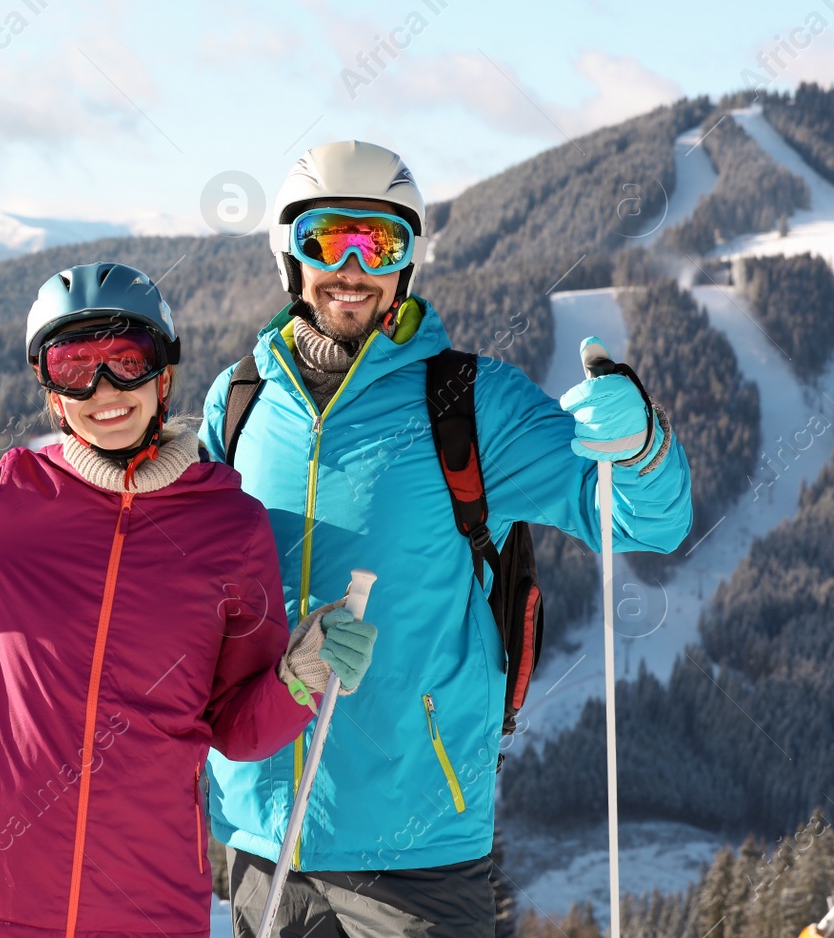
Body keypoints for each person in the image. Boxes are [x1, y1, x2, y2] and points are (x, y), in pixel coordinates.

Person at [0, 262, 379, 938]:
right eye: (75, 366)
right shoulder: (6, 501)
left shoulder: (228, 526)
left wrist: (301, 674)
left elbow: (240, 729)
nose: (105, 389)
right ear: (50, 389)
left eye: (127, 359)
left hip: (146, 909)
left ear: (164, 373)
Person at [200, 141, 694, 938]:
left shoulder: (468, 402)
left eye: (381, 243)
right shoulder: (240, 405)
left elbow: (648, 518)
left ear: (409, 261)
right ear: (288, 254)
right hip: (261, 836)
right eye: (328, 239)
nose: (353, 266)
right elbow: (189, 581)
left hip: (417, 848)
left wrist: (637, 445)